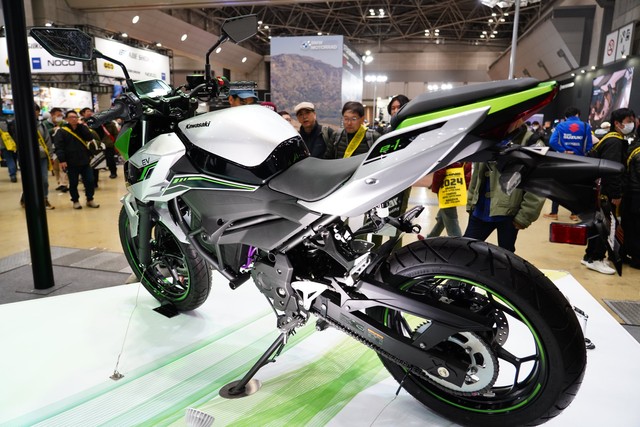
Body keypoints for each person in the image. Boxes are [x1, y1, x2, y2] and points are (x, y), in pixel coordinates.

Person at [581, 108, 635, 275]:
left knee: (599, 224)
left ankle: (590, 256)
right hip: (606, 192)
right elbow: (612, 170)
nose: (631, 124)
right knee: (605, 225)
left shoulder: (611, 138)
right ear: (617, 123)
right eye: (628, 121)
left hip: (600, 189)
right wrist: (616, 194)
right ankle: (596, 258)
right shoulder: (614, 142)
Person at [463, 161, 545, 253]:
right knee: (465, 250)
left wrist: (525, 216)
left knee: (506, 256)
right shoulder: (483, 150)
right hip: (480, 210)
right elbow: (476, 174)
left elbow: (537, 185)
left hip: (509, 214)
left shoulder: (529, 151)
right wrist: (471, 201)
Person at [544, 107, 593, 221]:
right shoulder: (585, 126)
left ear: (566, 116)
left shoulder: (560, 125)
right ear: (578, 114)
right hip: (579, 160)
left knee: (557, 185)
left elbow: (552, 141)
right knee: (576, 187)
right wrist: (581, 153)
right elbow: (589, 145)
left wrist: (563, 151)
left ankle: (554, 213)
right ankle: (574, 213)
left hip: (563, 160)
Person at [54, 110, 100, 209]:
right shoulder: (62, 131)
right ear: (66, 119)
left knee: (90, 180)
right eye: (71, 117)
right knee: (73, 183)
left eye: (75, 117)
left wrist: (82, 127)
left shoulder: (82, 128)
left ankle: (90, 199)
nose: (74, 119)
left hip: (85, 160)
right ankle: (75, 200)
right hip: (71, 162)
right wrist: (62, 160)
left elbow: (89, 137)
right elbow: (59, 147)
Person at [20, 104, 55, 209]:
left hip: (42, 157)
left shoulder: (42, 125)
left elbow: (47, 140)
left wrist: (50, 155)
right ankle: (26, 198)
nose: (34, 112)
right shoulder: (22, 125)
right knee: (30, 179)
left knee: (44, 180)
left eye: (36, 110)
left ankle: (44, 199)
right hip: (28, 158)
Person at [427, 162, 471, 237]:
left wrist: (435, 187)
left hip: (446, 188)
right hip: (457, 185)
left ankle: (457, 241)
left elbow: (440, 170)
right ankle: (430, 237)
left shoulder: (448, 154)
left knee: (451, 220)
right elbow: (468, 167)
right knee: (444, 216)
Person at [623, 134, 640, 269]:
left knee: (632, 227)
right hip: (637, 194)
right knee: (636, 228)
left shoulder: (633, 146)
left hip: (632, 194)